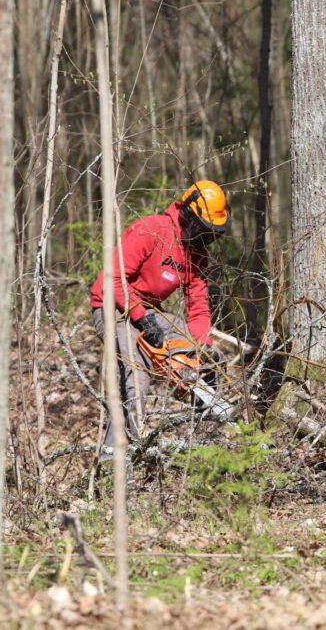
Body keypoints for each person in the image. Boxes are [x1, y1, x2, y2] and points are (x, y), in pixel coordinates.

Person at [90, 180, 230, 461]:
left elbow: (198, 308)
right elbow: (113, 278)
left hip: (150, 310)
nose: (205, 238)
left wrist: (203, 348)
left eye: (211, 234)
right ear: (188, 216)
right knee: (136, 371)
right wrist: (142, 318)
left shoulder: (197, 254)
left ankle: (208, 441)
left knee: (202, 356)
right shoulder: (152, 229)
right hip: (111, 306)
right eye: (202, 229)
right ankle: (118, 457)